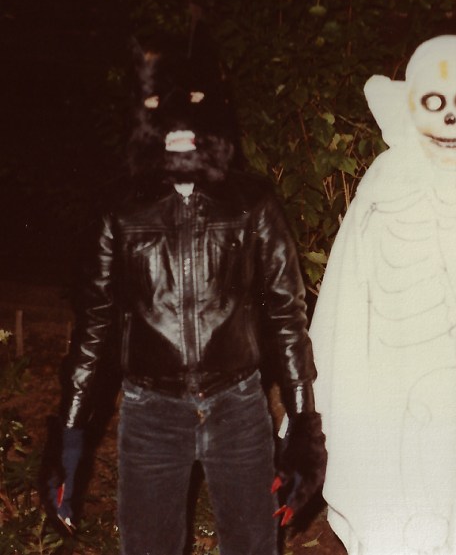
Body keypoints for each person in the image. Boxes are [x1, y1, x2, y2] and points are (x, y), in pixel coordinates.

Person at [47, 30, 326, 555]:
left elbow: (287, 317)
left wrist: (303, 427)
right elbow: (95, 327)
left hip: (238, 407)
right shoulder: (121, 210)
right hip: (150, 412)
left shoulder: (252, 203)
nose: (177, 120)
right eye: (157, 103)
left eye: (194, 101)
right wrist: (67, 435)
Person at [309, 35, 456, 555]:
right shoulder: (384, 185)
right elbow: (343, 301)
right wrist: (312, 410)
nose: (450, 122)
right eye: (434, 104)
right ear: (408, 107)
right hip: (394, 395)